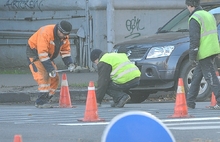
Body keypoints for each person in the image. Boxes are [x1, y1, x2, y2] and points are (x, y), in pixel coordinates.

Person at [26, 20, 76, 108]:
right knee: (44, 76)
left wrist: (70, 64)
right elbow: (42, 54)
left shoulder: (64, 36)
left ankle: (47, 98)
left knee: (55, 78)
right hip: (35, 54)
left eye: (66, 35)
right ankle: (40, 102)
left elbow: (65, 51)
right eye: (63, 34)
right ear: (59, 30)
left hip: (47, 56)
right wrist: (50, 69)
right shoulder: (45, 33)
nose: (65, 37)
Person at [185, 0, 220, 109]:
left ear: (191, 6)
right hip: (213, 48)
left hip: (205, 51)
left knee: (210, 76)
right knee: (197, 75)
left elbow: (194, 40)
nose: (187, 9)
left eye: (187, 6)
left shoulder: (195, 18)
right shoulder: (208, 14)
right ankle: (190, 101)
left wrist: (192, 57)